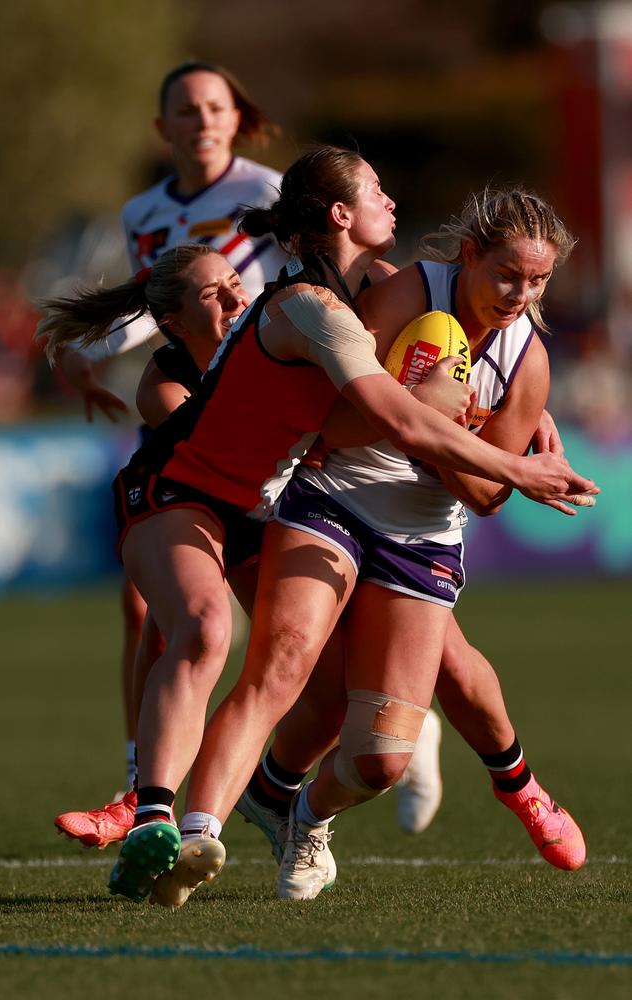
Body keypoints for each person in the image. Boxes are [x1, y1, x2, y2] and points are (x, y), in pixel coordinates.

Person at [74, 148, 591, 909]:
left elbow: (459, 467)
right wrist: (490, 450)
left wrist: (492, 422)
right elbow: (369, 421)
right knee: (222, 638)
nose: (393, 199)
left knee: (368, 728)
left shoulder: (394, 293)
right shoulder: (323, 305)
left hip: (305, 509)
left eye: (538, 281)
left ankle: (290, 806)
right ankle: (173, 822)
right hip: (240, 496)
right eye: (376, 189)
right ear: (342, 214)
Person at [235, 189, 590, 899]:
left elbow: (488, 497)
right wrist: (422, 422)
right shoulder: (408, 294)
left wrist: (436, 442)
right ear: (468, 255)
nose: (521, 294)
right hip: (334, 498)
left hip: (422, 532)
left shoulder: (528, 360)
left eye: (538, 281)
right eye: (507, 275)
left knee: (381, 761)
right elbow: (333, 418)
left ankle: (302, 810)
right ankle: (187, 825)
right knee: (290, 664)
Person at [52, 60, 287, 844]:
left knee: (297, 633)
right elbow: (161, 308)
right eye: (186, 110)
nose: (202, 121)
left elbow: (310, 288)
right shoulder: (143, 212)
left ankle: (386, 723)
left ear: (236, 115)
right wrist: (97, 346)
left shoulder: (269, 193)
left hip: (272, 414)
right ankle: (138, 791)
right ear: (164, 130)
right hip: (190, 405)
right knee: (153, 608)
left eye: (216, 106)